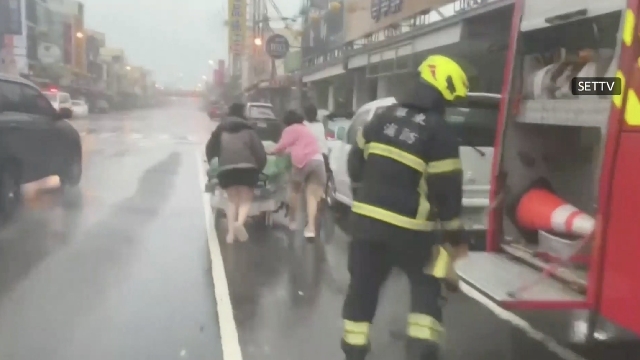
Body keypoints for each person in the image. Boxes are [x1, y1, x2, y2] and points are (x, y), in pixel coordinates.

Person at [340, 55, 470, 360]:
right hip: (413, 232)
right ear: (443, 93)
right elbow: (448, 192)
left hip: (366, 227)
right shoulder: (440, 132)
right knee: (426, 286)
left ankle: (354, 351)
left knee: (362, 289)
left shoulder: (380, 118)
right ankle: (421, 351)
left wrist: (368, 198)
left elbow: (354, 165)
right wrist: (454, 236)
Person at [206, 102, 267, 243]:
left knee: (232, 201)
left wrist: (214, 163)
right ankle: (239, 224)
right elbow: (259, 152)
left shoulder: (221, 129)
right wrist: (260, 167)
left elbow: (210, 148)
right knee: (246, 199)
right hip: (248, 168)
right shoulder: (249, 130)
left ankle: (230, 235)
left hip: (227, 168)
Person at [269, 110, 326, 238]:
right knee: (312, 196)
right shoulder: (306, 129)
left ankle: (292, 221)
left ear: (287, 122)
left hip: (302, 163)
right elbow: (296, 146)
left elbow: (282, 146)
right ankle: (311, 228)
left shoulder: (290, 129)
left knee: (294, 190)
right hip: (318, 161)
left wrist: (271, 151)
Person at [302, 104, 332, 189]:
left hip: (307, 159)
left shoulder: (303, 125)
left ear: (305, 114)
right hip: (322, 159)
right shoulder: (320, 125)